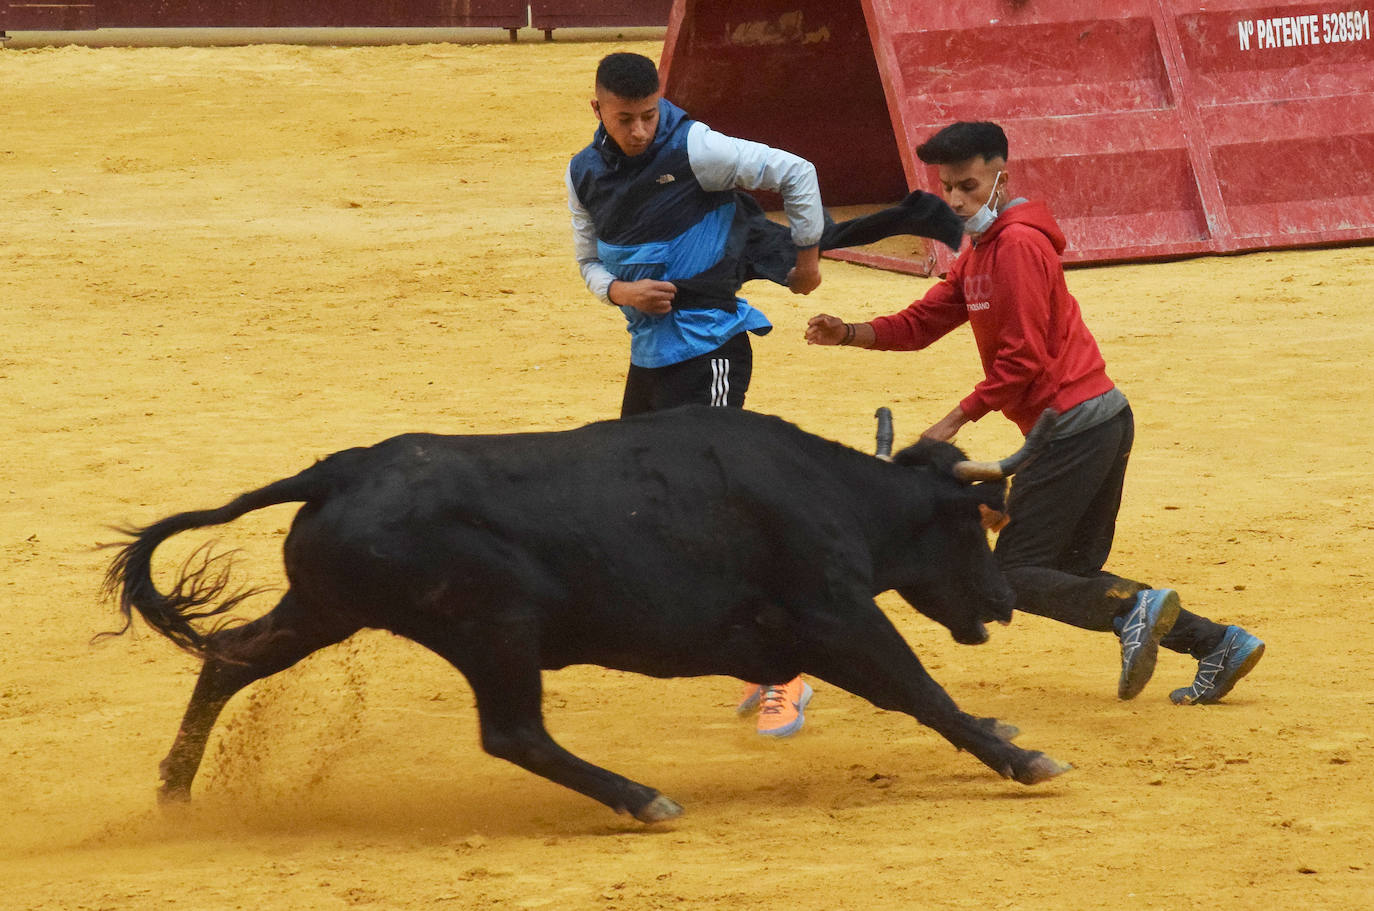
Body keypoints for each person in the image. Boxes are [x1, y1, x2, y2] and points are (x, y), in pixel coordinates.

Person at [805, 121, 1264, 705]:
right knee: (1068, 570)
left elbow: (1024, 359)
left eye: (969, 185)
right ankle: (1220, 643)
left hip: (1071, 426)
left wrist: (952, 422)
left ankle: (1139, 613)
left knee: (1017, 574)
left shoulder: (1018, 247)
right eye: (948, 188)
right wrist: (849, 332)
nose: (956, 200)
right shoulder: (982, 251)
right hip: (1095, 419)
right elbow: (924, 322)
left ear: (1003, 174)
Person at [565, 52, 828, 737]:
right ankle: (754, 648)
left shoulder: (699, 148)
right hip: (649, 357)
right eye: (625, 118)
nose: (640, 130)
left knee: (715, 511)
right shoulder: (583, 172)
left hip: (710, 348)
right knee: (641, 501)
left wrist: (805, 260)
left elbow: (796, 171)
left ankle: (788, 672)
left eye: (649, 114)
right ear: (596, 109)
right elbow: (589, 261)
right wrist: (621, 291)